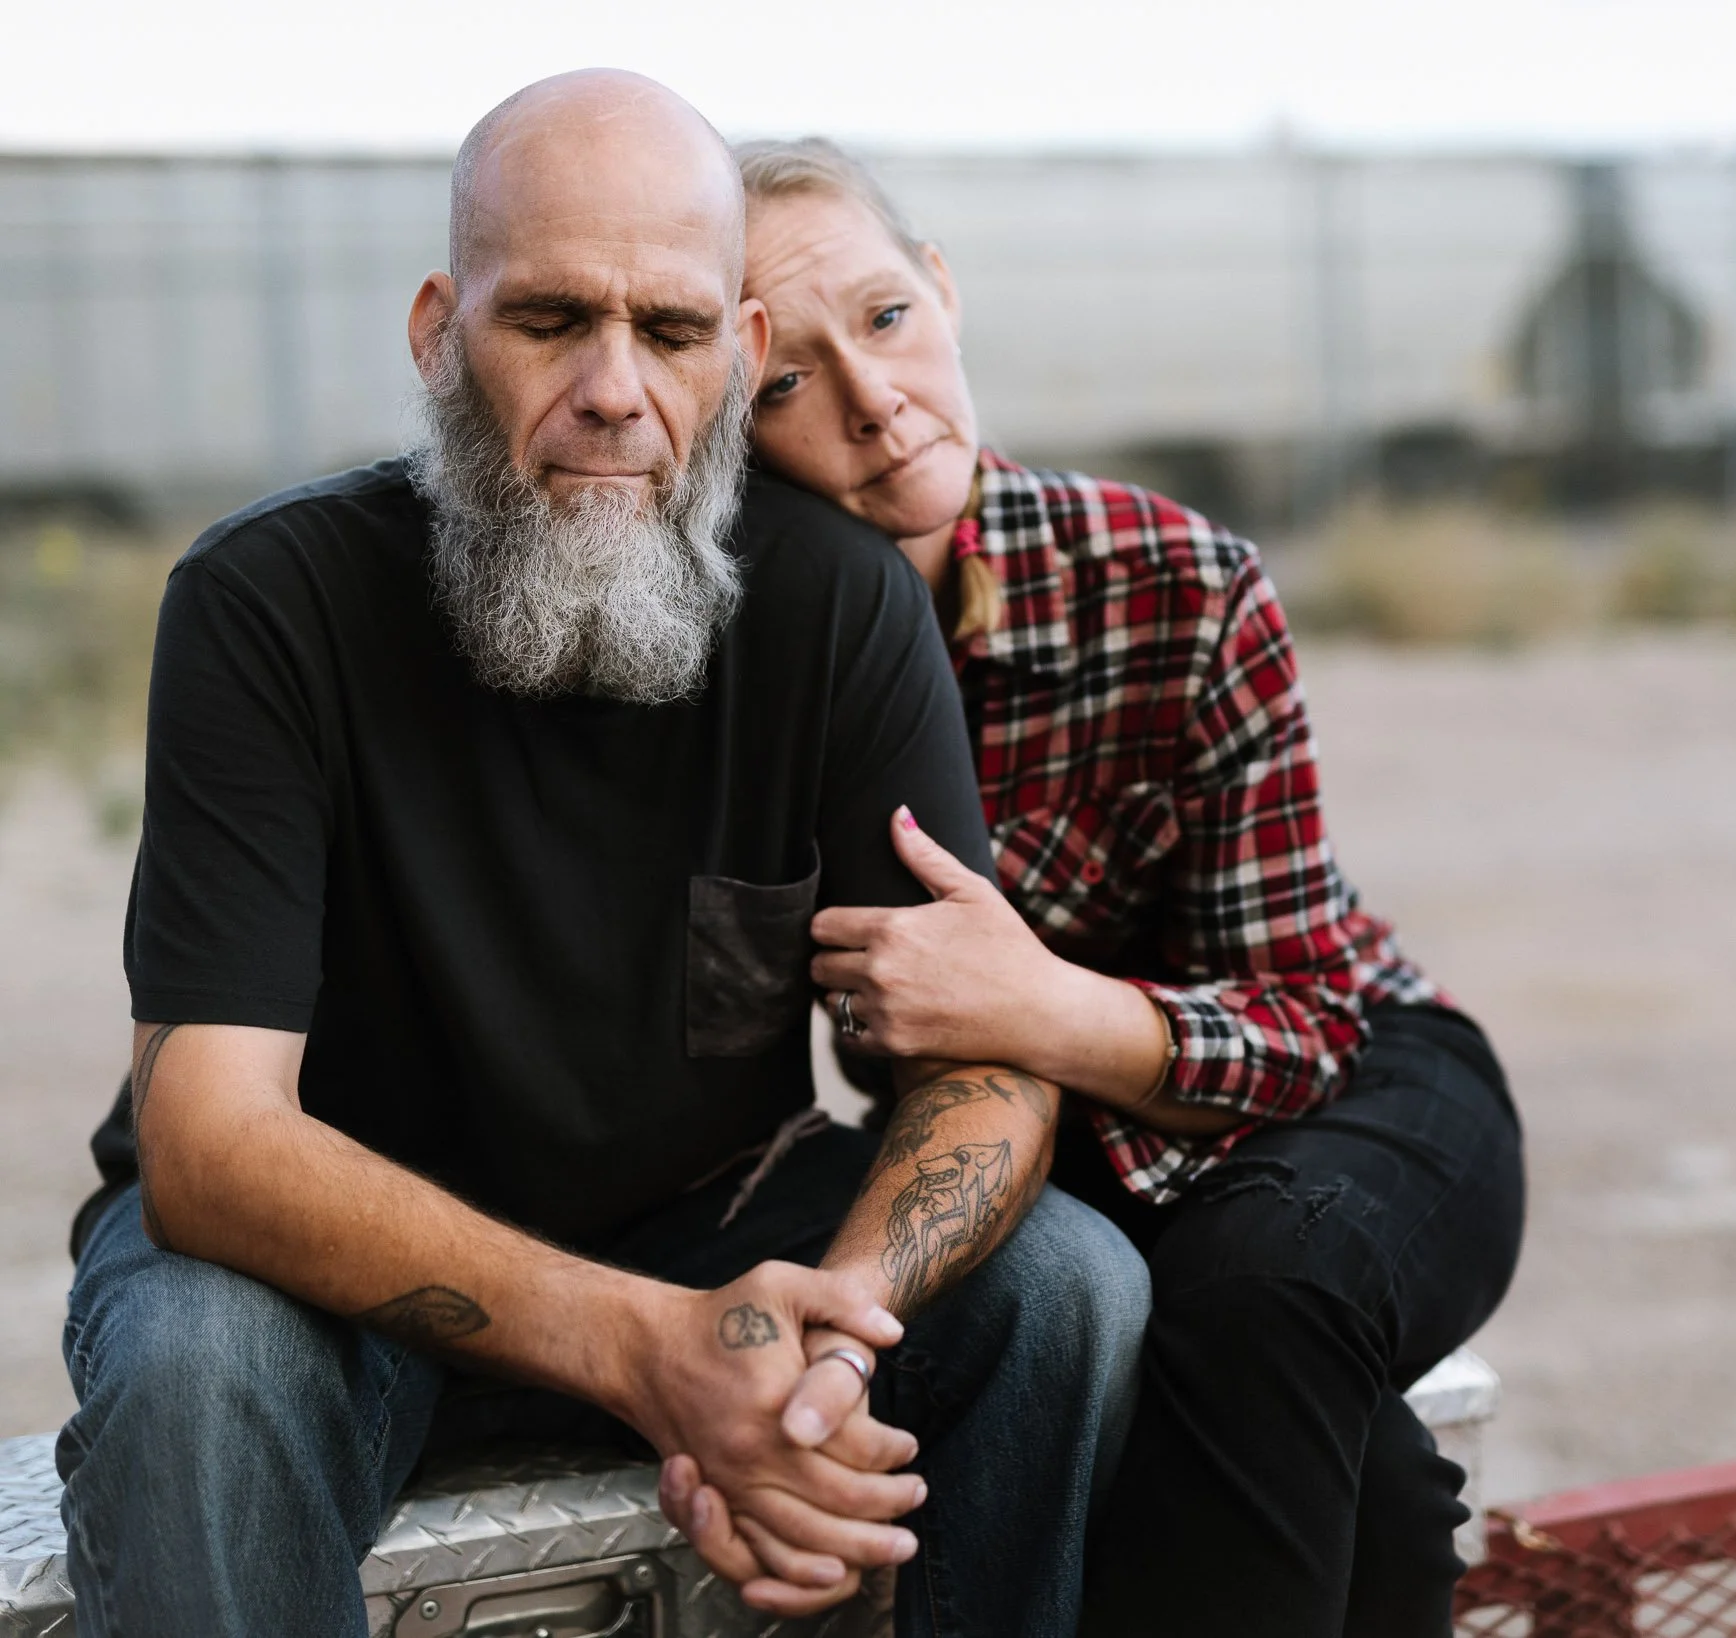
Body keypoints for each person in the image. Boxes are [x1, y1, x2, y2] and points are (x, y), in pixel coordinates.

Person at [56, 73, 1149, 1638]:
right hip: (327, 1261)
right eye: (551, 319)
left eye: (675, 330)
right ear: (441, 333)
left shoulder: (841, 607)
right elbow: (214, 1141)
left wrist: (816, 1356)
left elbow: (986, 1074)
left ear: (741, 354)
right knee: (194, 1367)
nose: (616, 389)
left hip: (718, 1233)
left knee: (1067, 1287)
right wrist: (651, 1348)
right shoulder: (265, 600)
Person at [682, 137, 1529, 1638]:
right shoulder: (726, 678)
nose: (879, 401)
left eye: (885, 317)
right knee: (1371, 1490)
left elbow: (1308, 1023)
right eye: (786, 384)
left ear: (942, 289)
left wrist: (1038, 1004)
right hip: (1061, 1168)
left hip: (1351, 1090)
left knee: (1262, 1295)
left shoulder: (1175, 582)